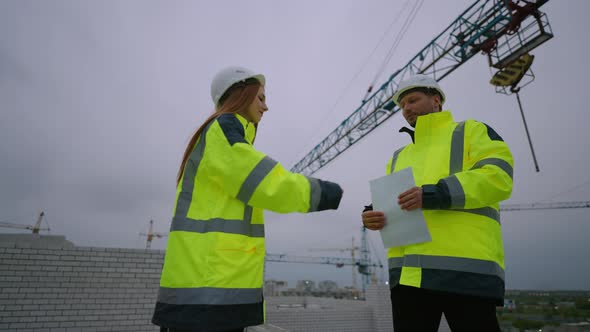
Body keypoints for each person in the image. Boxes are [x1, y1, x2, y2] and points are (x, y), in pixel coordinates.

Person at [152, 66, 343, 332]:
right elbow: (266, 183)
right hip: (208, 294)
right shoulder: (223, 128)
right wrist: (325, 192)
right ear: (241, 94)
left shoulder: (222, 135)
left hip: (210, 291)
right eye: (261, 98)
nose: (266, 107)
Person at [362, 74, 513, 332]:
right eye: (402, 105)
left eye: (413, 100)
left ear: (436, 100)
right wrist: (373, 214)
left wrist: (434, 194)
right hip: (408, 279)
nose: (406, 108)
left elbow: (498, 177)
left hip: (465, 275)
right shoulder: (399, 156)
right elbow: (393, 201)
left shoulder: (471, 131)